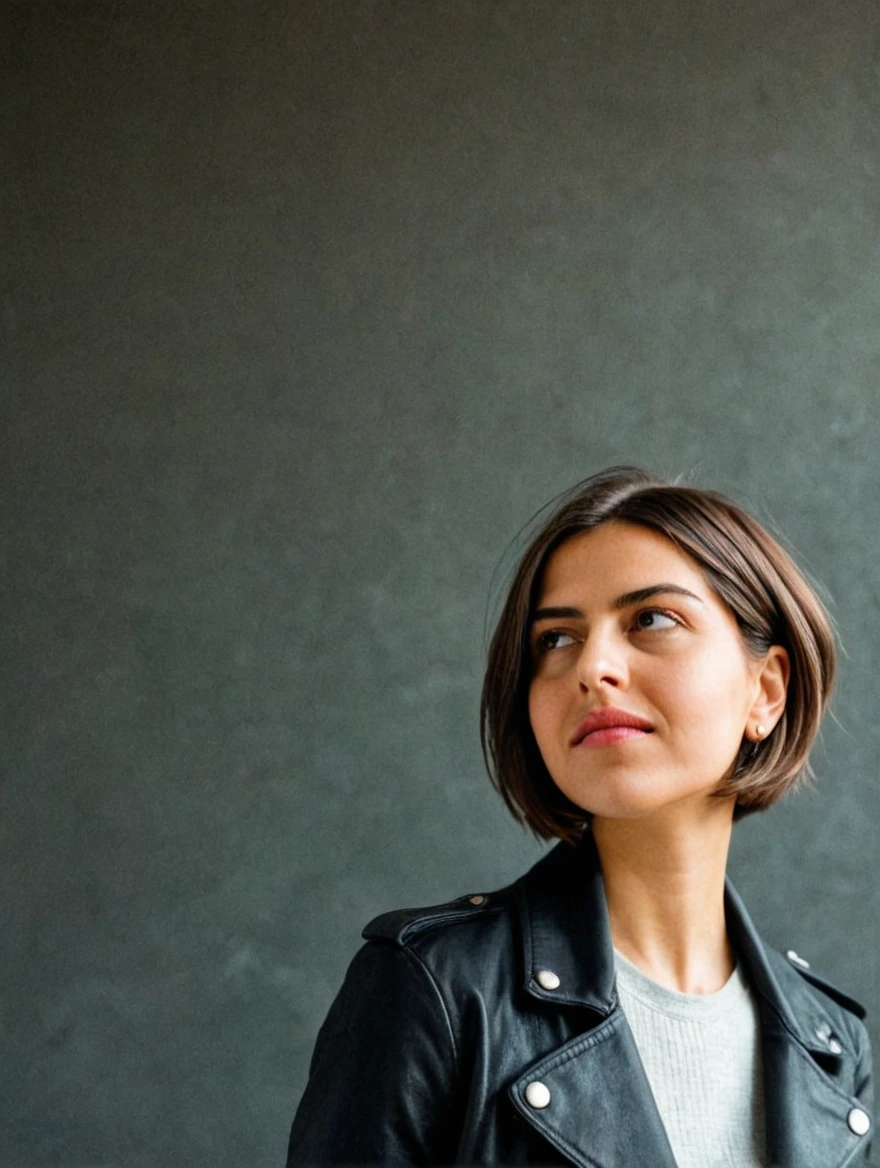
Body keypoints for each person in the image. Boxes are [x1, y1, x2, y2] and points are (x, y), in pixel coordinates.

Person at [287, 466, 873, 1167]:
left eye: (652, 620)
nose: (593, 666)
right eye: (555, 639)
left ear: (767, 690)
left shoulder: (832, 1046)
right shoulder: (435, 990)